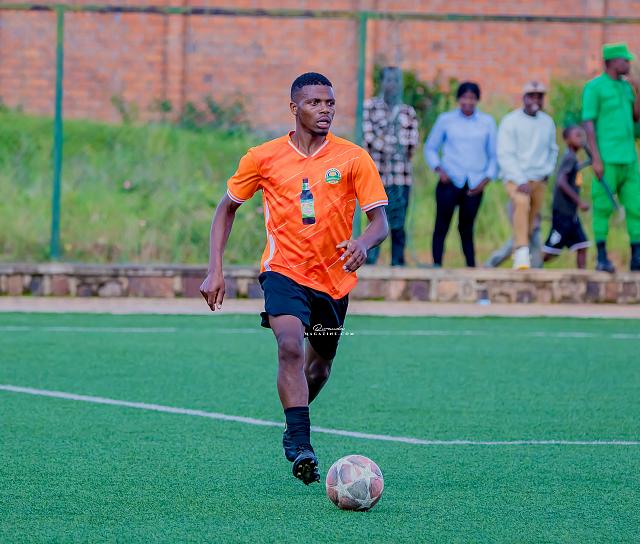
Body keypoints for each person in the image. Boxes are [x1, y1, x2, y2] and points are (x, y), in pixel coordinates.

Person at [199, 73, 389, 486]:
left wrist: (362, 243)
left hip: (334, 282)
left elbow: (380, 221)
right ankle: (302, 445)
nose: (325, 110)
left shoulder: (353, 158)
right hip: (282, 271)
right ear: (294, 108)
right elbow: (226, 208)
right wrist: (215, 268)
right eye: (315, 103)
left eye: (330, 103)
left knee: (318, 369)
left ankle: (292, 425)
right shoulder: (263, 157)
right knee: (289, 346)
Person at [424, 81, 497, 267]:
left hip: (474, 183)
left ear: (477, 100)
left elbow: (494, 155)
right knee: (442, 225)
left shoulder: (487, 122)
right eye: (464, 97)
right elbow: (431, 148)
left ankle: (470, 267)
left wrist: (486, 180)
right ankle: (436, 266)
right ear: (458, 99)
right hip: (449, 181)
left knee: (467, 227)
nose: (468, 102)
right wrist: (439, 169)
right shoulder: (446, 120)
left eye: (472, 98)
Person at [582, 42, 640, 272]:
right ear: (612, 62)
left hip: (629, 159)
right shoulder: (594, 88)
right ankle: (601, 257)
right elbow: (588, 123)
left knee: (636, 207)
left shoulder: (627, 88)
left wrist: (638, 91)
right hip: (606, 158)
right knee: (603, 207)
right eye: (625, 60)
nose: (628, 63)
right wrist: (596, 158)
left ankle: (637, 256)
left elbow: (636, 117)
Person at [497, 81, 559, 270]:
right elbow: (505, 154)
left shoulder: (547, 122)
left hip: (539, 178)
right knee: (521, 204)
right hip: (516, 178)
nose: (535, 100)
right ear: (524, 98)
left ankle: (506, 258)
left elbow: (553, 150)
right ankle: (522, 253)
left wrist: (547, 171)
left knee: (531, 222)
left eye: (539, 96)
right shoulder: (511, 121)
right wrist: (520, 179)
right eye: (531, 96)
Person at [363, 66, 419, 266]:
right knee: (375, 218)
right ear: (382, 83)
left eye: (396, 81)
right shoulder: (370, 107)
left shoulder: (407, 112)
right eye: (388, 80)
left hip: (401, 177)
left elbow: (411, 144)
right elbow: (369, 139)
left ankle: (397, 261)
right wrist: (395, 147)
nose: (392, 85)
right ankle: (371, 261)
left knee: (399, 219)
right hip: (377, 176)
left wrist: (388, 144)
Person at [542, 125, 591, 268]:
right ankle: (533, 263)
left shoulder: (573, 159)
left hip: (571, 214)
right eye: (577, 135)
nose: (581, 139)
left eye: (582, 135)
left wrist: (587, 149)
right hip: (562, 213)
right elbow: (561, 182)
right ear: (567, 139)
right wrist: (579, 202)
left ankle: (582, 278)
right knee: (551, 251)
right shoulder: (569, 158)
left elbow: (589, 162)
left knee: (582, 245)